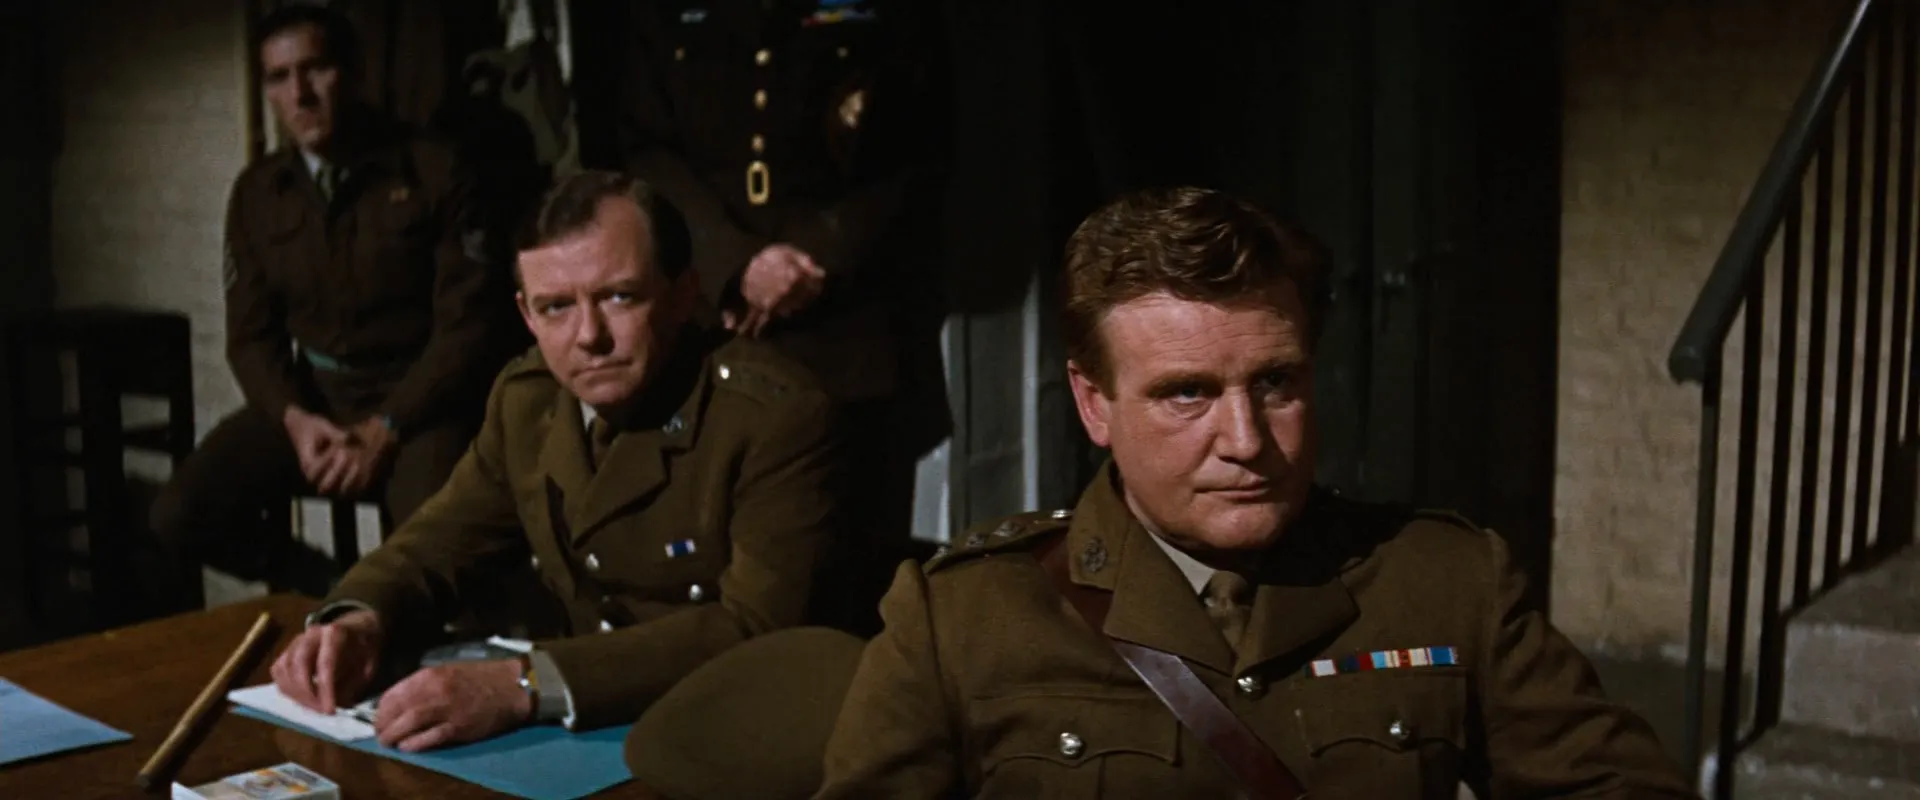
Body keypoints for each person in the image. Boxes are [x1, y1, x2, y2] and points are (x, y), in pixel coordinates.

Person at [815, 187, 1695, 798]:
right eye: (1187, 393)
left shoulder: (1446, 582)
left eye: (1276, 383)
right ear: (1093, 404)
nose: (1246, 441)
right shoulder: (962, 622)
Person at [267, 170, 847, 752]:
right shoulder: (529, 401)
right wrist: (358, 619)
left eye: (619, 297)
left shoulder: (769, 416)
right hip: (588, 735)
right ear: (526, 315)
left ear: (682, 294)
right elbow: (440, 541)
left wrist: (526, 684)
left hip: (734, 730)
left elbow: (756, 629)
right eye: (556, 307)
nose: (588, 335)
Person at [610, 0, 953, 633]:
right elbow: (647, 150)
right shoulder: (662, 17)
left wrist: (820, 254)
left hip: (849, 337)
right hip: (714, 324)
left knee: (854, 586)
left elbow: (921, 150)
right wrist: (734, 264)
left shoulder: (884, 15)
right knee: (712, 575)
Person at [149, 5, 514, 585]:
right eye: (279, 77)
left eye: (315, 69)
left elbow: (467, 327)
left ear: (352, 72)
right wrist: (296, 420)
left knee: (431, 555)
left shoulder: (433, 170)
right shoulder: (259, 193)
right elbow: (251, 339)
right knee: (180, 514)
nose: (300, 94)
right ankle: (327, 591)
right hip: (317, 401)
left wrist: (387, 427)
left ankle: (385, 610)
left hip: (421, 401)